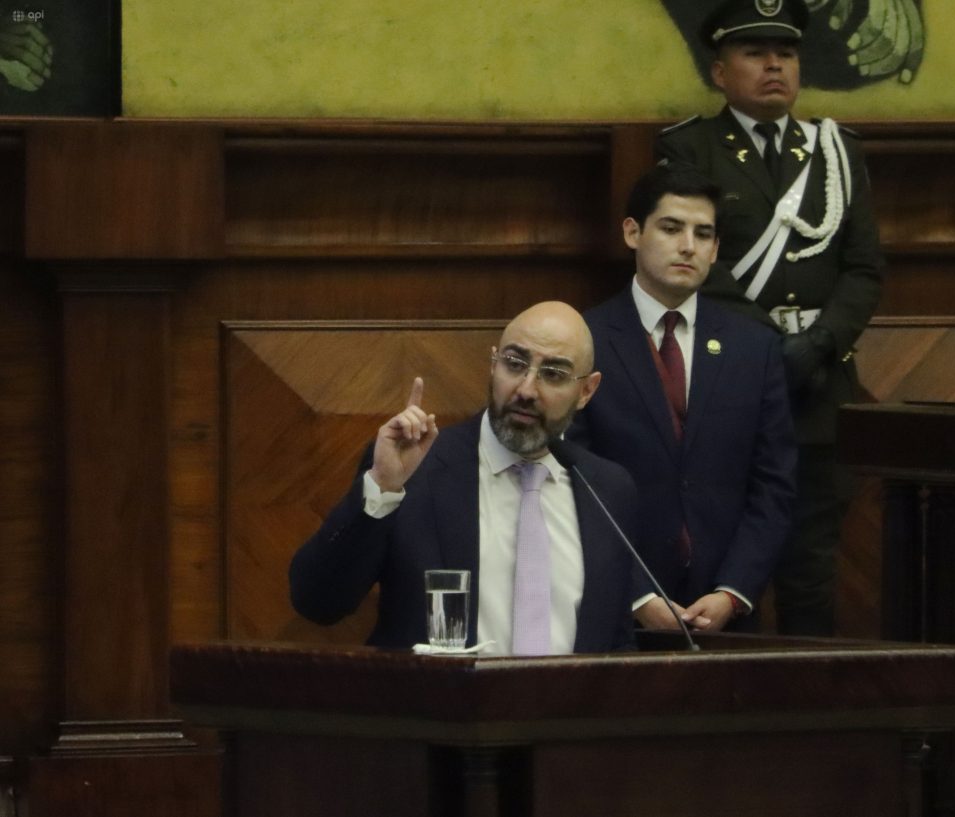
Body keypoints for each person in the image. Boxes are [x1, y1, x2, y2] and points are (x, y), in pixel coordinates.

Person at [655, 0, 885, 636]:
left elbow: (864, 269)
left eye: (785, 53)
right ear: (719, 71)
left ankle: (811, 698)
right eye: (755, 53)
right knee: (728, 567)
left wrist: (819, 343)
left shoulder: (837, 152)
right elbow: (692, 265)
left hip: (820, 385)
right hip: (730, 383)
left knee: (812, 570)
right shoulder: (689, 148)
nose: (774, 65)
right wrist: (767, 348)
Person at [290, 301, 638, 654]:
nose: (526, 390)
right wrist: (382, 488)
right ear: (493, 364)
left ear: (586, 391)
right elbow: (318, 603)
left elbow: (617, 643)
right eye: (514, 364)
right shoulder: (416, 470)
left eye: (553, 374)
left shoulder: (608, 490)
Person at [568, 163, 797, 633]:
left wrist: (733, 592)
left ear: (715, 249)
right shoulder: (583, 340)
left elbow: (774, 485)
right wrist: (637, 595)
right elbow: (571, 484)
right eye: (671, 228)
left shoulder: (755, 348)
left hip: (726, 615)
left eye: (703, 233)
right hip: (615, 613)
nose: (688, 245)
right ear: (632, 232)